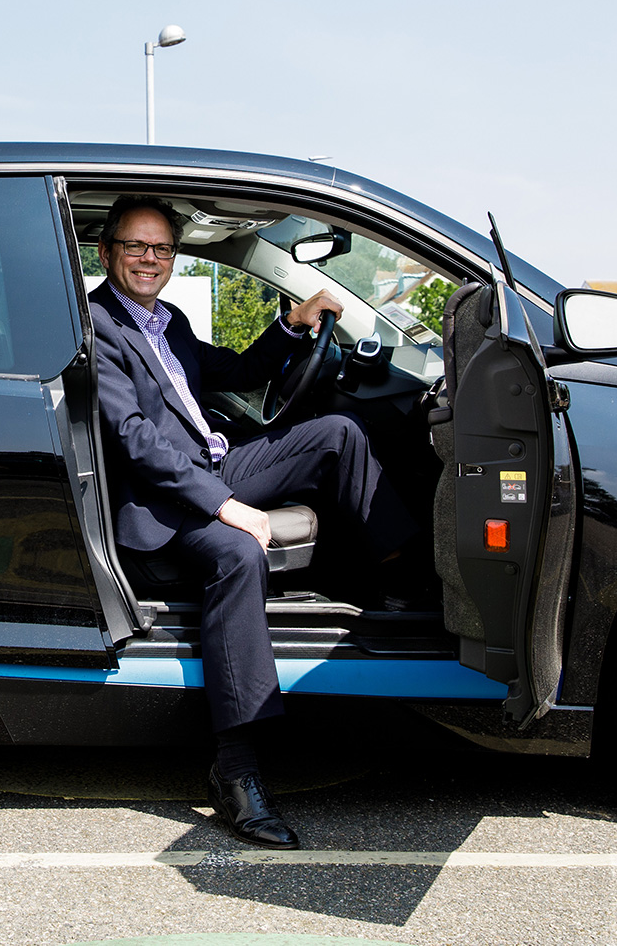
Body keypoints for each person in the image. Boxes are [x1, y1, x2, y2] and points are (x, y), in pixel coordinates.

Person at [88, 197, 424, 850]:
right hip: (164, 502)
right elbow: (134, 440)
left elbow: (237, 371)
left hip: (215, 466)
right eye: (136, 245)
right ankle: (236, 770)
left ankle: (404, 582)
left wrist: (294, 323)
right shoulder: (100, 326)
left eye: (160, 248)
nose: (150, 258)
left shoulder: (170, 320)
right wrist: (225, 504)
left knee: (337, 433)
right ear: (108, 252)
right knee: (238, 551)